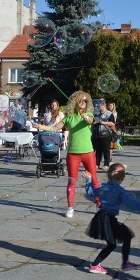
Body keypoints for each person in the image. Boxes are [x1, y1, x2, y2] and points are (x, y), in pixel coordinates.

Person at [34, 90, 100, 219]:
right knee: (72, 182)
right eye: (81, 100)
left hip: (88, 152)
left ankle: (99, 204)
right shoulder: (69, 117)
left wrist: (85, 116)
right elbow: (54, 128)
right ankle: (70, 207)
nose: (83, 103)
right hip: (73, 154)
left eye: (86, 101)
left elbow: (90, 121)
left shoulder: (89, 114)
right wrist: (41, 126)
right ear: (75, 101)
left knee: (94, 180)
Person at [81, 164, 140, 274]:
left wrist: (89, 180)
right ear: (122, 179)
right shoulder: (120, 190)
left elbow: (91, 192)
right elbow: (131, 203)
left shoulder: (103, 187)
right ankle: (96, 265)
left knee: (125, 236)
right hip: (107, 219)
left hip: (101, 217)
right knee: (113, 243)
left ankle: (124, 263)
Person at [92, 99, 116, 171]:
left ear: (104, 105)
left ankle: (106, 164)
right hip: (97, 134)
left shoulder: (109, 113)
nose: (98, 107)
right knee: (98, 150)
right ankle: (97, 163)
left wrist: (104, 123)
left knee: (106, 150)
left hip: (106, 134)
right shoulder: (96, 113)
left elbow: (112, 123)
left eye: (100, 105)